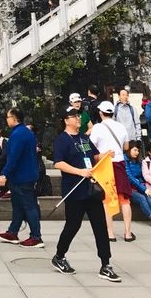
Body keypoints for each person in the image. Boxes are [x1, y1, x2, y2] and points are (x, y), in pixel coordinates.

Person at [51, 106, 121, 282]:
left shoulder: (84, 137)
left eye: (78, 116)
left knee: (100, 226)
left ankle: (105, 264)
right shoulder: (62, 140)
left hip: (92, 189)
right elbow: (58, 163)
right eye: (74, 116)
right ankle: (59, 256)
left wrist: (105, 155)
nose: (78, 119)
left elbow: (94, 156)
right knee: (73, 225)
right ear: (66, 120)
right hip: (75, 190)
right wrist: (79, 171)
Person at [89, 101, 135, 241]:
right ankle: (127, 233)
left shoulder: (97, 127)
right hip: (119, 163)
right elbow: (126, 146)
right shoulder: (120, 126)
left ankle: (110, 233)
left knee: (106, 199)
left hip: (105, 165)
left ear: (101, 113)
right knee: (124, 199)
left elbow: (91, 146)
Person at [0, 107, 42, 248]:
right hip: (24, 175)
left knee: (29, 206)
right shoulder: (26, 132)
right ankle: (13, 231)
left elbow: (13, 157)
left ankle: (36, 237)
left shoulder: (17, 134)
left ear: (14, 118)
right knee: (17, 205)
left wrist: (4, 173)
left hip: (22, 176)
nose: (7, 119)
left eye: (8, 117)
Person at [124, 142, 151, 229]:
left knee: (149, 195)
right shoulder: (125, 160)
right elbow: (129, 177)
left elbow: (141, 176)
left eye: (138, 150)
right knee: (142, 198)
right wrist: (143, 188)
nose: (137, 152)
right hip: (128, 187)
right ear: (129, 150)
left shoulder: (138, 161)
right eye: (135, 150)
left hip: (138, 185)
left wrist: (144, 187)